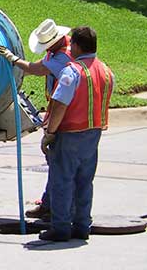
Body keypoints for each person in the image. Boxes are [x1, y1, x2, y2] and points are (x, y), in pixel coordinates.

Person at [38, 26, 114, 242]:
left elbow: (60, 104)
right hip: (93, 134)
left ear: (77, 46)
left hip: (70, 133)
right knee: (84, 181)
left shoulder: (73, 71)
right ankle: (82, 226)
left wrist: (50, 133)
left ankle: (60, 228)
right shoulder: (106, 70)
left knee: (62, 180)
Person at [0, 19, 73, 220]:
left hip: (62, 112)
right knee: (60, 163)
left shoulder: (62, 58)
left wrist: (13, 59)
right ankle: (54, 203)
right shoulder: (67, 44)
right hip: (62, 108)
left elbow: (36, 69)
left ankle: (54, 207)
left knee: (57, 162)